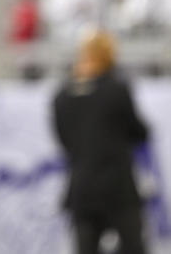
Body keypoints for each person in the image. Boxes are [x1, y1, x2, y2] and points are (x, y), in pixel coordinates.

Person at [52, 30, 149, 254]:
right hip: (119, 190)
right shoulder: (116, 90)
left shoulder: (62, 96)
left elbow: (63, 140)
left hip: (82, 189)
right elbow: (139, 132)